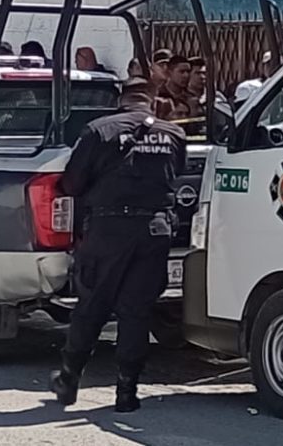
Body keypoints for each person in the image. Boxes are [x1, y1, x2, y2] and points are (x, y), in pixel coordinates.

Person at [49, 77, 186, 413]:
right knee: (136, 311)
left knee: (92, 305)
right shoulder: (174, 134)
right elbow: (176, 173)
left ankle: (69, 378)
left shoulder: (99, 131)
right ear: (152, 100)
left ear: (121, 100)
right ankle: (127, 392)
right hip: (154, 228)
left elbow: (72, 182)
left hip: (108, 230)